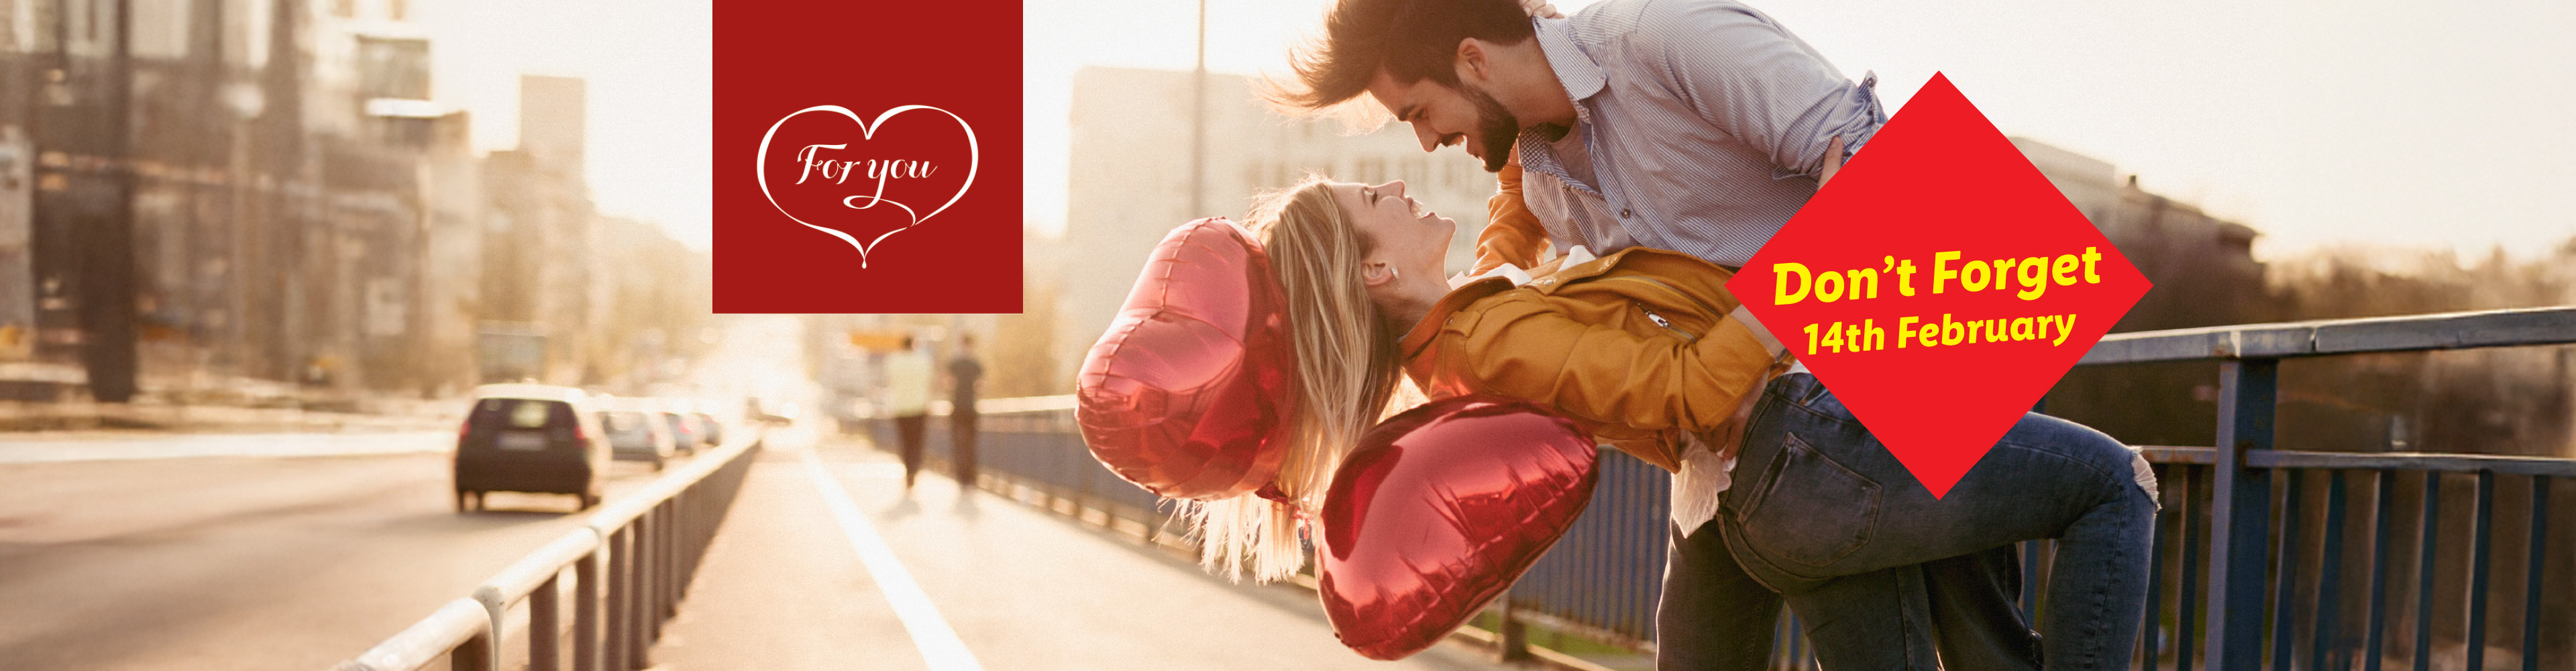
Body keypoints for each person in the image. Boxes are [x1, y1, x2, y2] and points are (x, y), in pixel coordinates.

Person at [1267, 0, 2057, 667]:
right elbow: (1518, 206)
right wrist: (1475, 290)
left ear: (1472, 61)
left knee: (1984, 641)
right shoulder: (1539, 163)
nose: (1426, 143)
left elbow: (1872, 149)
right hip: (1732, 445)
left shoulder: (1664, 36)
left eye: (1417, 113)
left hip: (1899, 360)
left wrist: (1893, 361)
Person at [1224, 176, 2155, 671]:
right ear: (1377, 274)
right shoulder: (1484, 345)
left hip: (1781, 486)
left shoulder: (1465, 323)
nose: (1400, 188)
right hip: (1798, 451)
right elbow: (1693, 391)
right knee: (2115, 483)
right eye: (1375, 204)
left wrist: (1516, 119)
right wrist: (1811, 267)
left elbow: (1507, 241)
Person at [884, 333, 935, 488]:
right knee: (917, 442)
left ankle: (908, 470)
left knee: (905, 442)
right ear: (914, 345)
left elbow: (890, 381)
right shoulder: (923, 361)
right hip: (919, 407)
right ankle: (914, 470)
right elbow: (929, 383)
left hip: (900, 407)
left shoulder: (893, 361)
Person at [946, 333, 986, 490]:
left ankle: (961, 476)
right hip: (971, 408)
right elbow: (981, 386)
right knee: (971, 443)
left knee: (958, 442)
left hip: (957, 407)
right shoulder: (977, 365)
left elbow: (947, 383)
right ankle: (971, 477)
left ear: (960, 345)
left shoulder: (954, 364)